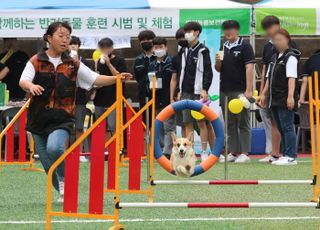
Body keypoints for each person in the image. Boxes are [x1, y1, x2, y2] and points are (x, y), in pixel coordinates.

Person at [19, 22, 131, 202]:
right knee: (48, 165)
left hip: (62, 118)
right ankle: (64, 189)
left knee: (54, 148)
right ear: (49, 38)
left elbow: (94, 78)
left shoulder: (73, 64)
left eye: (67, 36)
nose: (65, 40)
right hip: (38, 119)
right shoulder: (36, 60)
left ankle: (64, 180)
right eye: (60, 36)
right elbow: (23, 81)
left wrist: (116, 78)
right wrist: (31, 86)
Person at [215, 20, 255, 163]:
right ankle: (233, 151)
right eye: (225, 29)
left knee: (243, 121)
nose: (228, 32)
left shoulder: (245, 45)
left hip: (240, 90)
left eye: (231, 29)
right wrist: (218, 61)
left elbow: (249, 68)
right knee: (230, 122)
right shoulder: (223, 46)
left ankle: (245, 152)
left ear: (237, 30)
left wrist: (248, 90)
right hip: (225, 89)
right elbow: (218, 69)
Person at [260, 29, 300, 166]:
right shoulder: (274, 57)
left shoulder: (291, 57)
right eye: (275, 40)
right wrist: (263, 94)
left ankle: (291, 156)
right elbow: (268, 77)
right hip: (273, 98)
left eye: (280, 39)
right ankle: (285, 154)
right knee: (281, 127)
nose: (277, 42)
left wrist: (290, 97)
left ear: (287, 40)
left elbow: (292, 78)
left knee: (288, 126)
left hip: (284, 97)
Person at [177, 21, 214, 161]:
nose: (187, 34)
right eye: (185, 31)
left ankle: (204, 151)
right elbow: (181, 71)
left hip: (198, 92)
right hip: (185, 91)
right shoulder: (183, 50)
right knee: (187, 123)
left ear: (197, 32)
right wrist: (179, 90)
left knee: (201, 122)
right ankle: (190, 151)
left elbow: (208, 72)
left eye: (189, 31)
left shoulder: (203, 50)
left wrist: (205, 89)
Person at [259, 16, 290, 162]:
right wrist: (262, 93)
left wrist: (290, 94)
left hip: (282, 91)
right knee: (273, 121)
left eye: (271, 27)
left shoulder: (288, 44)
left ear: (278, 26)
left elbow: (291, 73)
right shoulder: (268, 46)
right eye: (266, 29)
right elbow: (266, 69)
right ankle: (274, 153)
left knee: (284, 123)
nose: (269, 31)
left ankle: (289, 155)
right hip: (269, 89)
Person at [94, 37, 127, 151]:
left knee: (113, 126)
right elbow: (96, 76)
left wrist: (108, 63)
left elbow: (120, 77)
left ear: (112, 48)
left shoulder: (119, 60)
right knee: (101, 127)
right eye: (102, 48)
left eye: (107, 48)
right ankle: (106, 150)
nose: (105, 50)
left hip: (114, 98)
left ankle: (116, 149)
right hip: (100, 98)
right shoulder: (98, 61)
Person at [148, 37, 175, 159]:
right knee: (157, 126)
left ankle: (167, 152)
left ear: (166, 47)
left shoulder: (172, 62)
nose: (158, 49)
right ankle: (159, 151)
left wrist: (173, 97)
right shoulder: (152, 64)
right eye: (156, 47)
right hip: (155, 99)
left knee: (168, 126)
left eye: (161, 47)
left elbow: (175, 81)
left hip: (168, 99)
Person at [69, 36, 92, 163]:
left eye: (75, 44)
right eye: (70, 44)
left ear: (79, 46)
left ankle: (80, 153)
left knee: (79, 127)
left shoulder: (86, 62)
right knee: (65, 127)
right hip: (65, 100)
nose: (72, 46)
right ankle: (65, 152)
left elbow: (90, 79)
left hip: (80, 100)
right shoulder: (63, 60)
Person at [170, 28, 188, 137]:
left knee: (204, 123)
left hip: (196, 93)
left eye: (184, 37)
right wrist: (172, 97)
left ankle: (213, 151)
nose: (182, 40)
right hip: (180, 94)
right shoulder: (176, 58)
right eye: (179, 38)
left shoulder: (199, 52)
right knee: (184, 123)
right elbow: (174, 78)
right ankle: (185, 148)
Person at [134, 30, 156, 115]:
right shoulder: (138, 59)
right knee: (145, 118)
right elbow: (137, 77)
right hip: (143, 94)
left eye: (148, 39)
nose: (145, 41)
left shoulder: (160, 57)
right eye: (142, 40)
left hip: (159, 95)